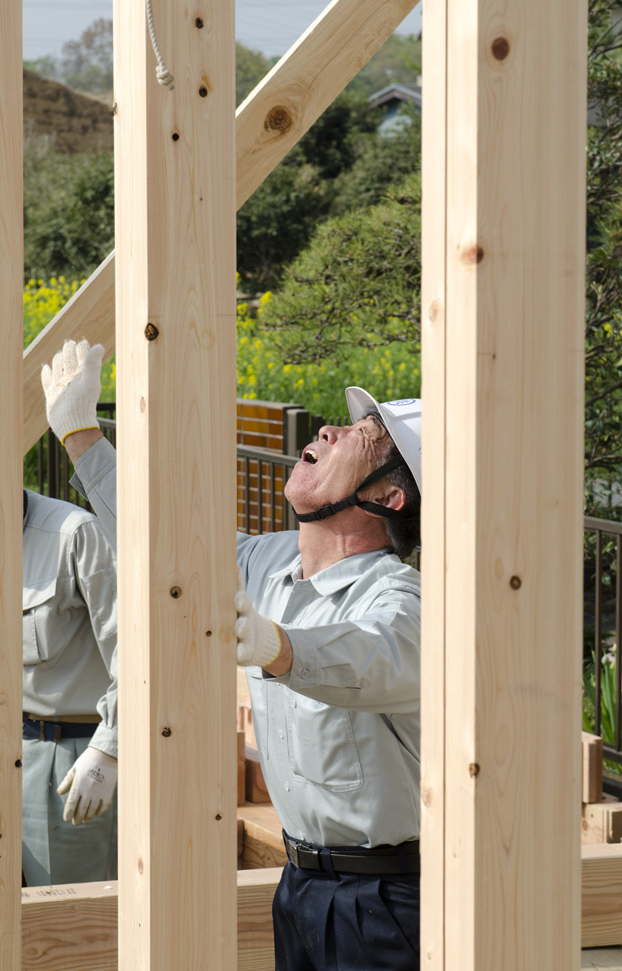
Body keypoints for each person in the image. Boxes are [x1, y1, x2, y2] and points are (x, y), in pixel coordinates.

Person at [41, 339, 422, 970]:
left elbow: (375, 655)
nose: (328, 429)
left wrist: (283, 647)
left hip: (384, 901)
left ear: (386, 498)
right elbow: (160, 537)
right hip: (302, 888)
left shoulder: (397, 596)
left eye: (362, 436)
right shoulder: (269, 563)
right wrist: (81, 434)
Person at [22, 482, 118, 886]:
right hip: (18, 744)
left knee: (69, 920)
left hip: (69, 758)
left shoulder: (74, 534)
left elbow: (134, 654)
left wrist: (109, 752)